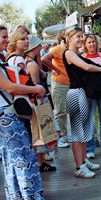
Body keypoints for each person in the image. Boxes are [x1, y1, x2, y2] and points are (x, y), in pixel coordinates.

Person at [0, 24, 57, 200]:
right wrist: (36, 89)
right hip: (7, 115)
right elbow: (9, 87)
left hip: (3, 114)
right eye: (4, 37)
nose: (7, 40)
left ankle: (17, 197)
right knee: (25, 156)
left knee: (12, 159)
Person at [61, 27, 101, 178]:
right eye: (78, 37)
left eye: (80, 36)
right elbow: (86, 66)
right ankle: (79, 166)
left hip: (82, 94)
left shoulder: (75, 53)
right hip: (76, 93)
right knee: (79, 134)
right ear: (69, 38)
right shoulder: (69, 53)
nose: (80, 39)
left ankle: (83, 161)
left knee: (86, 131)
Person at [25, 35, 60, 171]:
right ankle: (39, 163)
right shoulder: (32, 64)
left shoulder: (28, 61)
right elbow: (36, 86)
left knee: (40, 133)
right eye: (39, 45)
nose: (41, 47)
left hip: (37, 101)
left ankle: (39, 162)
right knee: (42, 133)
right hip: (39, 101)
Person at [41, 29, 71, 148]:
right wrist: (55, 69)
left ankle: (64, 133)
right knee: (60, 111)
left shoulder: (71, 50)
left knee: (65, 111)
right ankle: (58, 137)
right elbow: (44, 59)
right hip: (60, 83)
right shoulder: (58, 48)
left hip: (68, 83)